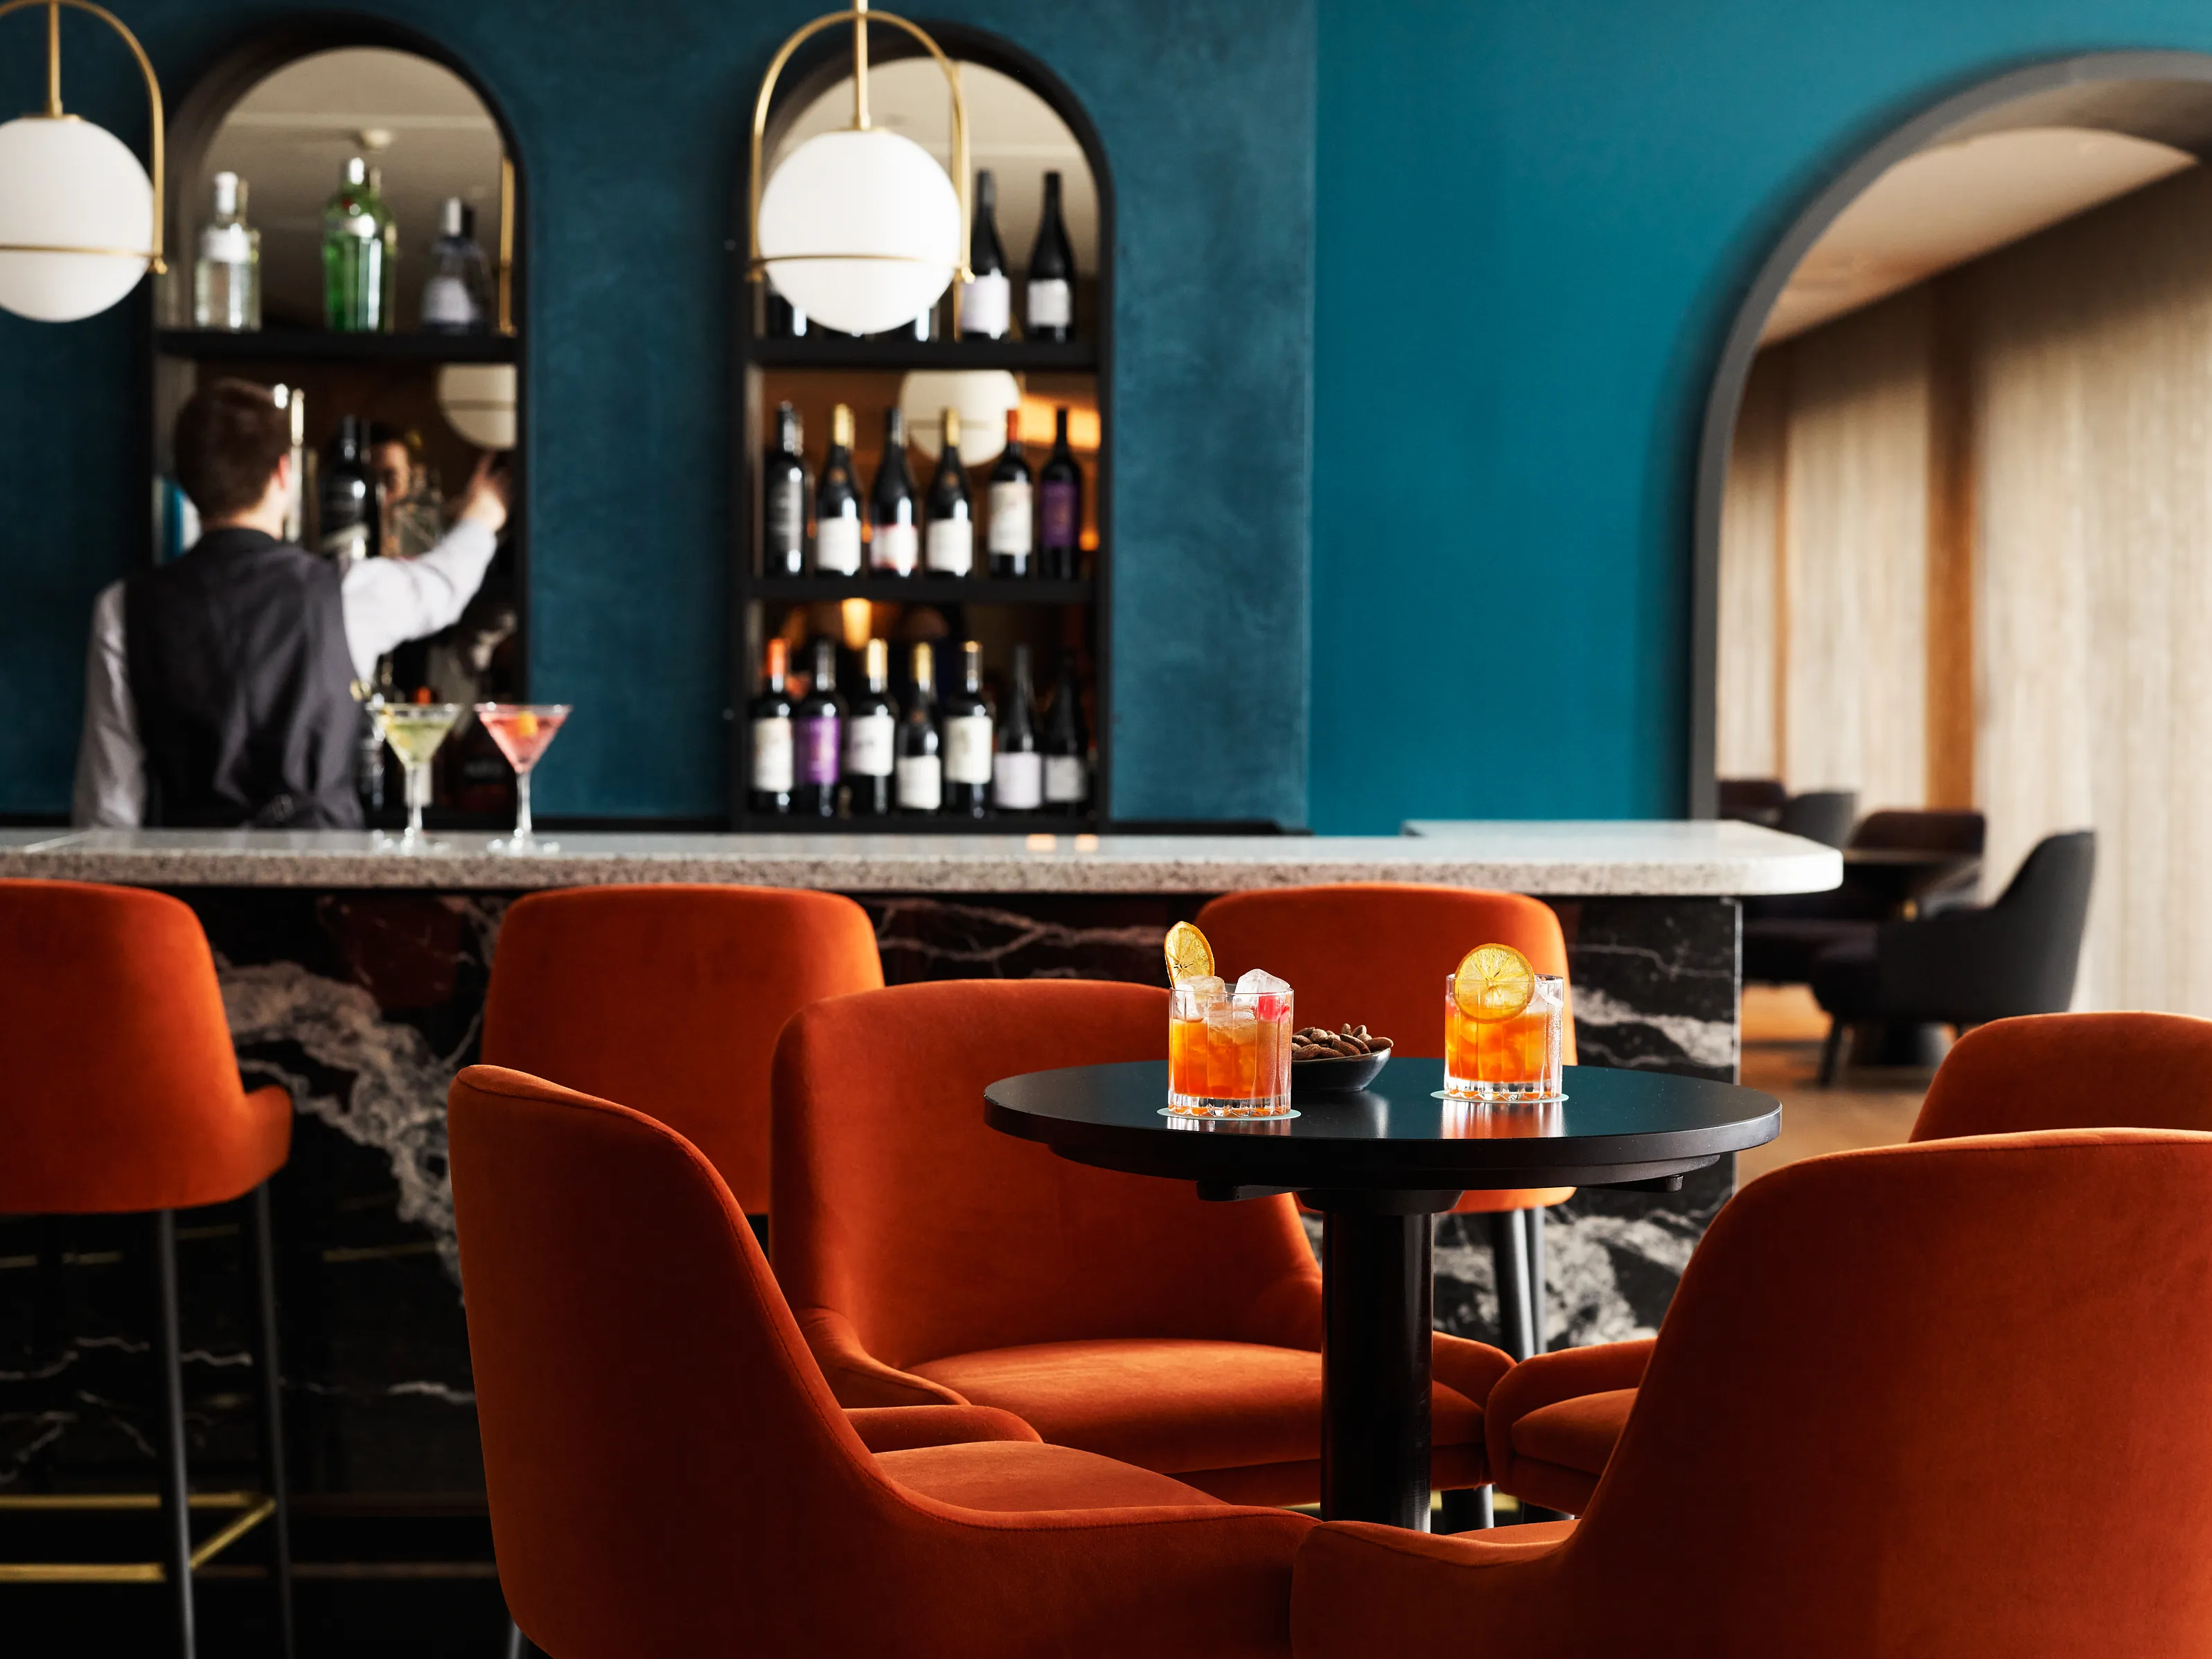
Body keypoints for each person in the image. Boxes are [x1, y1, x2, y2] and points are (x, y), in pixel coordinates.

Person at [72, 378, 510, 828]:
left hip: (189, 889)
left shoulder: (122, 607)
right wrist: (485, 513)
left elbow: (108, 805)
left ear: (185, 480)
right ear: (284, 473)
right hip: (322, 885)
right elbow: (441, 587)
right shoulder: (345, 592)